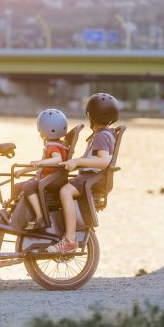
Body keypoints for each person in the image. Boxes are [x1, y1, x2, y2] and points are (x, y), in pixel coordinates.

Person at [47, 93, 119, 254]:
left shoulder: (101, 136)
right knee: (64, 189)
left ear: (89, 115)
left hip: (92, 180)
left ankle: (70, 240)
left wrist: (77, 162)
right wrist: (74, 162)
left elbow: (103, 162)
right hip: (91, 178)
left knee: (65, 191)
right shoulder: (105, 134)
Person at [14, 109, 69, 230]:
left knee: (28, 187)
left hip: (47, 180)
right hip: (48, 178)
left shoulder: (52, 146)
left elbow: (57, 159)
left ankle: (39, 217)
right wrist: (23, 171)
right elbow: (41, 165)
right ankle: (16, 213)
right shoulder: (61, 144)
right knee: (17, 187)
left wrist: (40, 162)